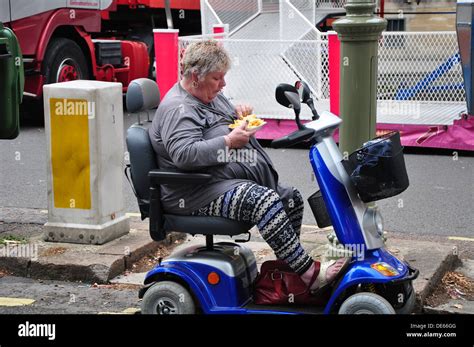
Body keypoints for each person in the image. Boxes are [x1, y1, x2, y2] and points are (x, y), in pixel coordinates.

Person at [149, 40, 348, 293]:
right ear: (196, 76)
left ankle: (286, 272)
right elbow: (184, 154)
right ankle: (309, 273)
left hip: (217, 181)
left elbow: (219, 119)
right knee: (264, 201)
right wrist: (229, 141)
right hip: (194, 193)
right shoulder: (178, 109)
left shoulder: (209, 95)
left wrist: (238, 113)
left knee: (290, 198)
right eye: (217, 78)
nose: (223, 84)